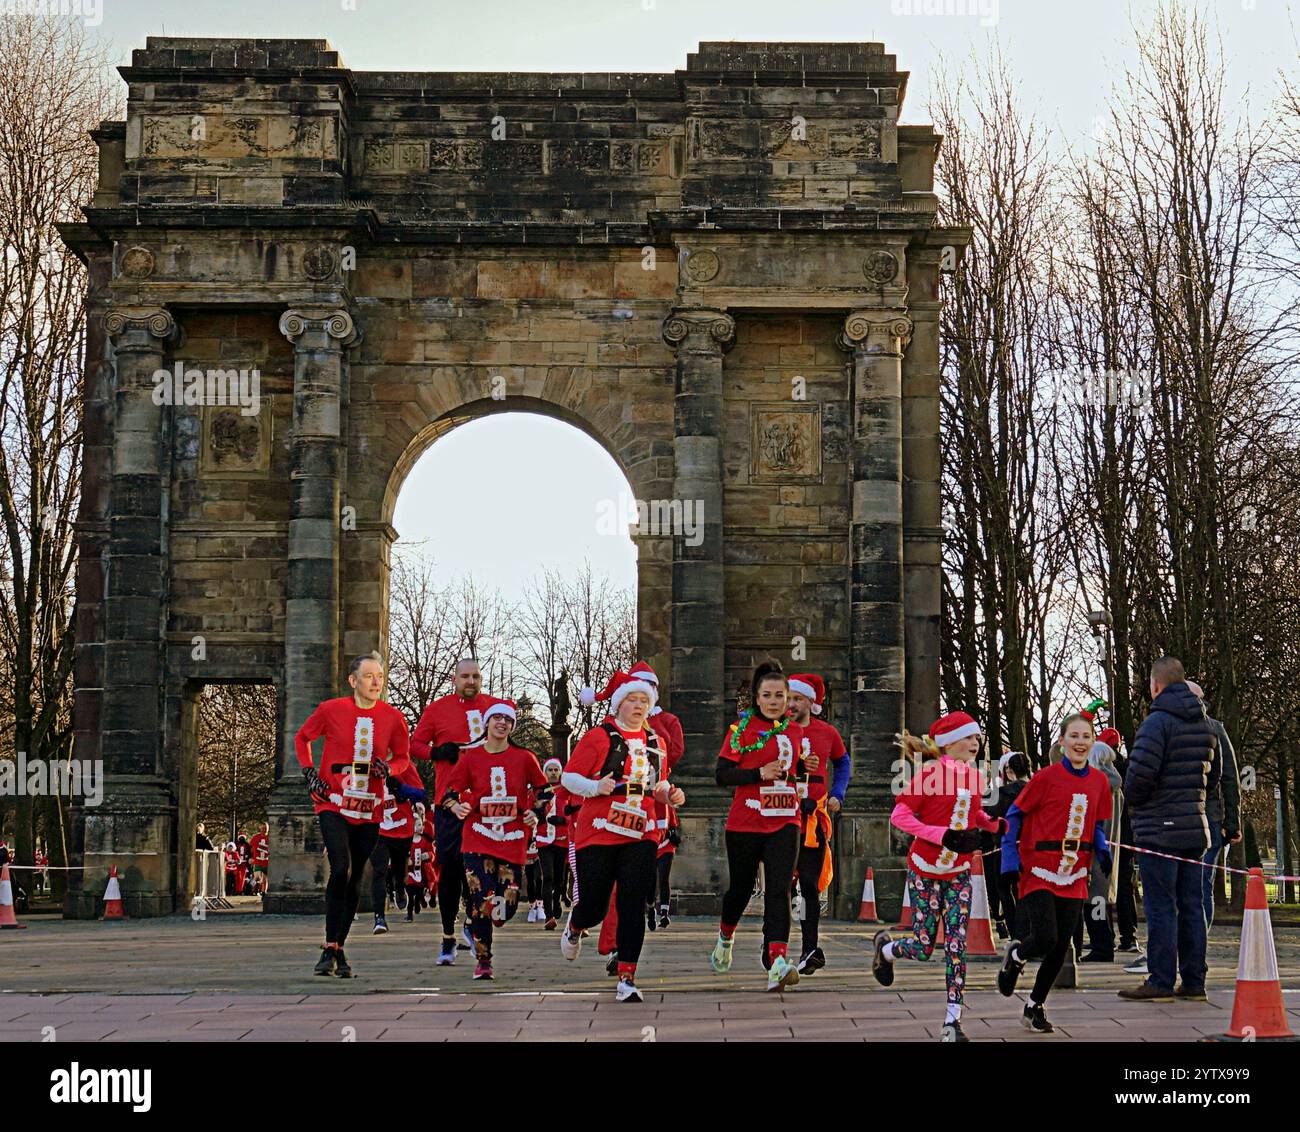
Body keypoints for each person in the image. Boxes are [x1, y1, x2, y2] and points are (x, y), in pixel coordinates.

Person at [871, 713, 1006, 1041]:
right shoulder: (929, 773)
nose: (976, 744)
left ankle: (952, 1020)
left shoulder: (975, 777)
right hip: (925, 870)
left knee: (957, 946)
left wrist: (994, 826)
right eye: (968, 738)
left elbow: (972, 812)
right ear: (948, 743)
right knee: (923, 946)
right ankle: (886, 950)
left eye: (977, 738)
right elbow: (899, 815)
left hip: (958, 871)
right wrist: (940, 835)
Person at [560, 670, 684, 1003]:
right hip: (599, 829)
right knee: (596, 905)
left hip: (639, 830)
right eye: (632, 699)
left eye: (645, 700)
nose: (639, 705)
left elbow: (656, 786)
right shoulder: (600, 737)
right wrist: (593, 787)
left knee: (633, 902)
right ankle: (576, 925)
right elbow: (570, 778)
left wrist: (670, 794)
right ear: (618, 704)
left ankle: (627, 976)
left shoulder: (656, 743)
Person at [295, 651, 411, 978]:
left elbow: (402, 757)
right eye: (369, 676)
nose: (376, 682)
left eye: (380, 677)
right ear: (353, 680)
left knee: (357, 874)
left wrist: (389, 768)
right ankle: (330, 945)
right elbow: (302, 737)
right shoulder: (330, 710)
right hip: (332, 801)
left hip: (369, 806)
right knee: (341, 865)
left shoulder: (392, 717)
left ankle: (338, 947)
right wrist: (308, 773)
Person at [998, 713, 1114, 1033]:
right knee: (1046, 936)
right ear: (1062, 742)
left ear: (1093, 742)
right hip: (1038, 866)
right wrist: (1009, 860)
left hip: (1075, 871)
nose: (1079, 742)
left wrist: (1102, 849)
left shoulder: (1099, 781)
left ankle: (1034, 1005)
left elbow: (1098, 823)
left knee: (1061, 945)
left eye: (1086, 737)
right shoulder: (1044, 778)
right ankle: (1018, 953)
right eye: (1073, 736)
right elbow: (1014, 814)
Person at [1119, 656, 1217, 1003]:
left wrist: (1134, 802)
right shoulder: (1206, 725)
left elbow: (1139, 776)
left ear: (1155, 684)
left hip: (1159, 829)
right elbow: (1214, 776)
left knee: (1162, 906)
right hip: (1194, 827)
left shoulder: (1156, 722)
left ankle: (1160, 980)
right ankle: (1194, 982)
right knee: (1192, 905)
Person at [709, 660, 806, 993]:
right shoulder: (741, 731)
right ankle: (726, 934)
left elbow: (795, 767)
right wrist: (758, 774)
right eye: (768, 695)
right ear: (756, 697)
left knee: (779, 889)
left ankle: (777, 960)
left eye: (781, 695)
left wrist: (804, 771)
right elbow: (722, 775)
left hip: (785, 820)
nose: (775, 701)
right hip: (746, 821)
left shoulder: (795, 731)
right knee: (741, 889)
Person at [440, 699, 547, 979]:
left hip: (512, 838)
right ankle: (484, 960)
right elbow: (448, 792)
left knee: (506, 907)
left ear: (512, 726)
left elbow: (544, 791)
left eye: (508, 720)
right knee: (483, 899)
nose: (502, 723)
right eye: (496, 718)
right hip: (477, 838)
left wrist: (535, 813)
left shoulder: (525, 758)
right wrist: (456, 806)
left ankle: (476, 921)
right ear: (486, 723)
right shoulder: (472, 758)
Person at [410, 658, 503, 966]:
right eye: (465, 676)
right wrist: (437, 752)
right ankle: (448, 936)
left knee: (481, 867)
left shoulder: (494, 707)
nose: (471, 681)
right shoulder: (438, 709)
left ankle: (474, 925)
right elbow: (415, 745)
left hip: (484, 802)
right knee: (450, 865)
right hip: (449, 802)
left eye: (476, 676)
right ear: (454, 679)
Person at [784, 672, 849, 975]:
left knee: (809, 885)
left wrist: (837, 793)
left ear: (810, 702)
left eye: (798, 698)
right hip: (782, 819)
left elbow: (843, 761)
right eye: (789, 698)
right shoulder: (778, 731)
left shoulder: (828, 732)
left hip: (814, 820)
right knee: (781, 885)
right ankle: (773, 944)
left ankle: (810, 948)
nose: (792, 704)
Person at [1185, 680, 1242, 931]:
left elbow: (1230, 778)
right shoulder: (1211, 729)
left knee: (1200, 884)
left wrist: (1232, 823)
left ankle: (1197, 944)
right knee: (1196, 885)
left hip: (1209, 818)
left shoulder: (1215, 730)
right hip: (1197, 817)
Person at [371, 762, 426, 933]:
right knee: (379, 871)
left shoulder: (405, 764)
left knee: (399, 869)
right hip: (378, 827)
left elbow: (420, 794)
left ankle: (400, 889)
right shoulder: (367, 762)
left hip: (402, 828)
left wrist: (401, 790)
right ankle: (379, 917)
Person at [986, 752, 1031, 937]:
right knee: (1025, 890)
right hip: (1030, 848)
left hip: (1003, 848)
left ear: (1009, 771)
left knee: (1004, 889)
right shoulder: (1035, 790)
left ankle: (1014, 931)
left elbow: (989, 820)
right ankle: (1026, 929)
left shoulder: (1000, 795)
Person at [534, 758, 570, 930]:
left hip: (561, 839)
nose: (554, 773)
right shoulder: (538, 791)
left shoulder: (566, 791)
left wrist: (563, 819)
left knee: (559, 879)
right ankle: (548, 915)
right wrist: (538, 812)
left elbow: (575, 810)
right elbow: (530, 810)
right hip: (543, 839)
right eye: (550, 770)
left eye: (556, 770)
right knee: (547, 877)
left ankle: (557, 902)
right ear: (545, 772)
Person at [405, 806, 433, 922]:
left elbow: (432, 854)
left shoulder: (425, 841)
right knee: (410, 894)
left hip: (421, 873)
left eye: (420, 824)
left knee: (418, 892)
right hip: (410, 873)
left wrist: (428, 855)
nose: (419, 827)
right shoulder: (407, 841)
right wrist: (406, 861)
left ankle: (418, 901)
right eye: (416, 825)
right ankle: (409, 913)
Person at [249, 823, 270, 896]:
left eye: (265, 828)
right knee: (257, 877)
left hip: (267, 861)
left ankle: (264, 893)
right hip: (257, 861)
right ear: (260, 828)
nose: (264, 830)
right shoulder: (255, 837)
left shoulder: (270, 838)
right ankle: (250, 888)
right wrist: (250, 857)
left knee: (264, 879)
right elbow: (250, 848)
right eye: (262, 828)